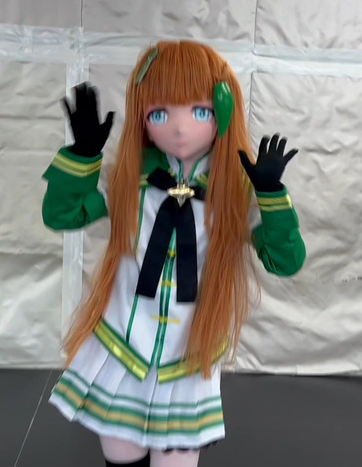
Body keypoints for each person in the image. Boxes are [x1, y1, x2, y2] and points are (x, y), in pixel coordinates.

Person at [41, 40, 306, 466]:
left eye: (199, 112)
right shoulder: (128, 179)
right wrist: (82, 157)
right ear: (143, 119)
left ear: (224, 112)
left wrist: (271, 195)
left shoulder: (235, 193)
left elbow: (285, 260)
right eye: (160, 114)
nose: (179, 129)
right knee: (121, 454)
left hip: (188, 357)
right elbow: (62, 215)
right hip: (122, 346)